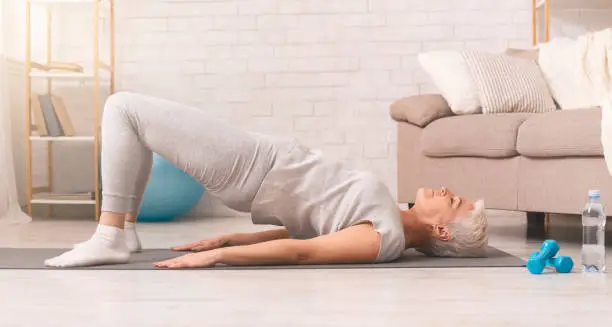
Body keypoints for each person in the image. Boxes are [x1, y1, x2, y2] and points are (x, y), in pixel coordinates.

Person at [44, 92, 488, 269]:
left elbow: (303, 251)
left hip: (252, 168)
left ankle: (110, 235)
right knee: (136, 123)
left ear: (442, 229)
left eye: (454, 202)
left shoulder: (384, 240)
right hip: (259, 159)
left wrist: (216, 262)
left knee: (123, 108)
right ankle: (124, 233)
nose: (448, 191)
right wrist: (231, 240)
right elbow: (312, 227)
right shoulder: (387, 218)